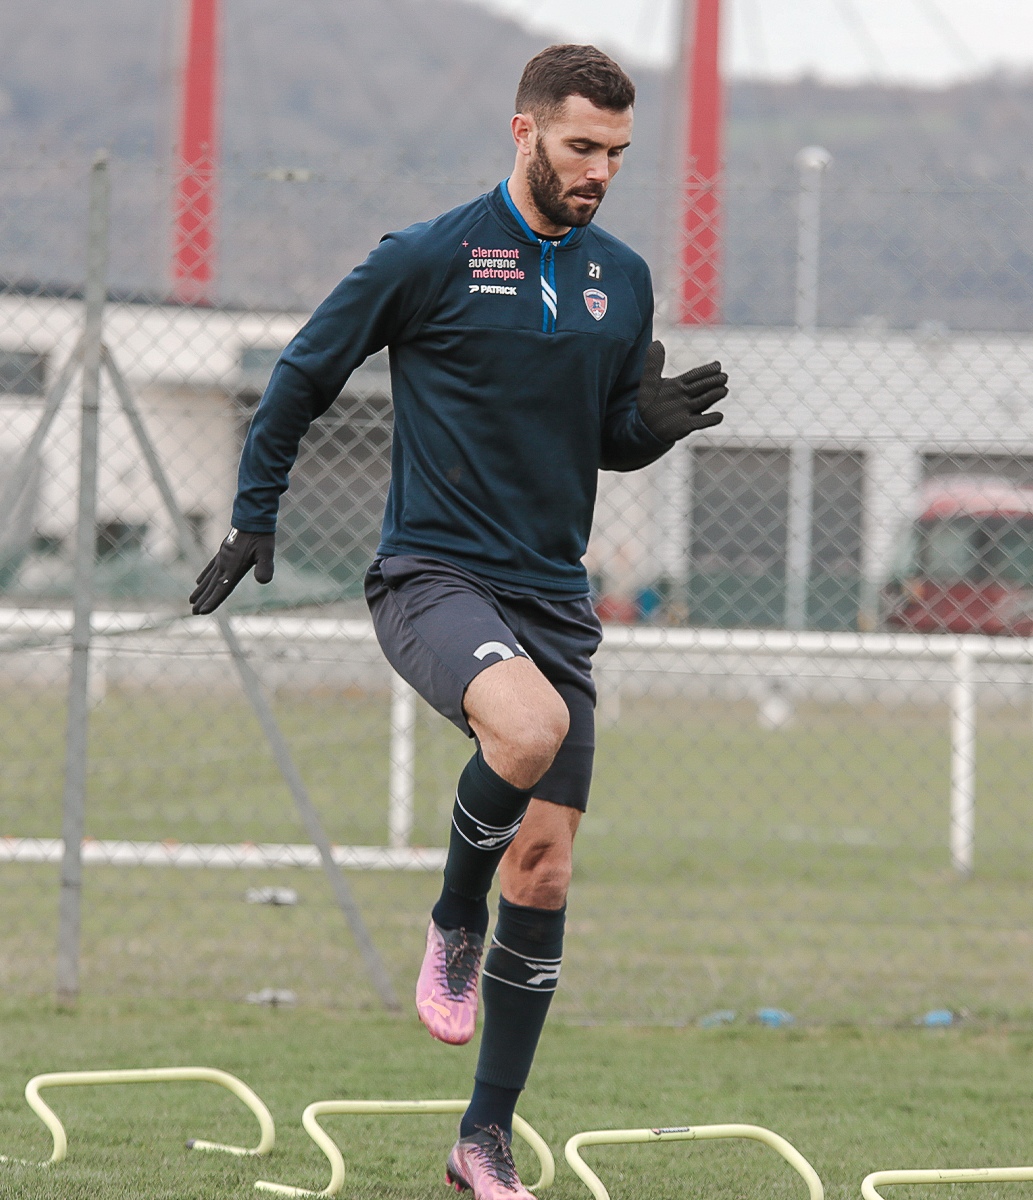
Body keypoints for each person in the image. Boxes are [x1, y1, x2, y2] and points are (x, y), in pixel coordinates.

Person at [189, 43, 728, 1200]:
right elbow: (300, 374)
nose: (599, 171)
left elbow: (604, 439)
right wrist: (252, 516)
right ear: (525, 130)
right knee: (522, 736)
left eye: (618, 154)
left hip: (552, 595)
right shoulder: (429, 255)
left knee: (543, 867)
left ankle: (480, 1143)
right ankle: (448, 921)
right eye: (582, 146)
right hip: (434, 578)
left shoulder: (620, 278)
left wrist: (654, 427)